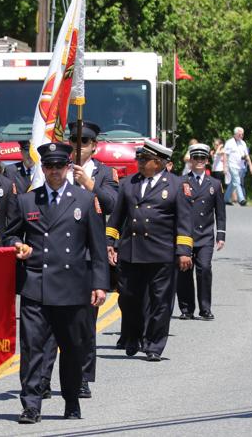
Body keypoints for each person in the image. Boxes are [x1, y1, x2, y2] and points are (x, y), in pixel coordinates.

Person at [6, 142, 108, 423]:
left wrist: (100, 284)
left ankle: (72, 399)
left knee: (73, 348)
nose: (54, 171)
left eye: (59, 166)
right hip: (35, 285)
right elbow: (10, 234)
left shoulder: (85, 200)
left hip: (72, 287)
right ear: (42, 168)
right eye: (49, 166)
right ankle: (31, 404)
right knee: (31, 349)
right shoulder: (27, 200)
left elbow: (98, 247)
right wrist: (17, 245)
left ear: (67, 167)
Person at [39, 121, 119, 399]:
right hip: (56, 257)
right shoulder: (57, 169)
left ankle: (82, 377)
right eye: (74, 140)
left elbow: (112, 204)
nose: (78, 145)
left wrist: (89, 183)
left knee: (83, 326)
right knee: (49, 326)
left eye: (84, 141)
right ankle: (43, 379)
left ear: (94, 146)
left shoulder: (105, 172)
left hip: (86, 257)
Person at [106, 139, 193, 362]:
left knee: (160, 302)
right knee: (128, 298)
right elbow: (117, 217)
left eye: (145, 160)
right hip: (132, 252)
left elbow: (184, 221)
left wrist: (184, 251)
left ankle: (154, 344)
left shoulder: (175, 185)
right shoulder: (128, 184)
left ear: (160, 162)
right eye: (139, 159)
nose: (140, 163)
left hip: (161, 253)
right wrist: (109, 243)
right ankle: (133, 336)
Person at [177, 143, 226, 321]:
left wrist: (221, 235)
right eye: (195, 158)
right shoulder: (181, 182)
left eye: (202, 158)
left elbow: (220, 212)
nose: (199, 161)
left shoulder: (215, 183)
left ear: (207, 161)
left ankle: (205, 308)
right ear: (190, 160)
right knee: (184, 271)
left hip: (205, 235)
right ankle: (186, 308)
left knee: (204, 269)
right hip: (185, 235)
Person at [224, 127, 252, 206]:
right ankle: (242, 199)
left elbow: (246, 156)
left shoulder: (243, 143)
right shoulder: (229, 142)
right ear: (235, 134)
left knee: (233, 183)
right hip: (232, 165)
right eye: (239, 134)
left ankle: (226, 199)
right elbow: (225, 155)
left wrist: (251, 166)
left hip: (241, 166)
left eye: (242, 134)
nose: (241, 136)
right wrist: (225, 167)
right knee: (237, 181)